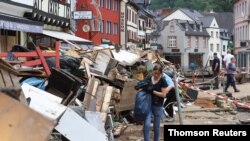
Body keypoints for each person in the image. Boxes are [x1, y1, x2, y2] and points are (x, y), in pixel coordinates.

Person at [143, 64, 173, 141]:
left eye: (158, 73)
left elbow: (163, 95)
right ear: (153, 71)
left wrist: (153, 91)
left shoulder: (162, 80)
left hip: (158, 106)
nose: (156, 75)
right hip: (148, 105)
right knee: (146, 125)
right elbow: (143, 86)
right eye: (155, 73)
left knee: (156, 127)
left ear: (161, 73)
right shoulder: (149, 78)